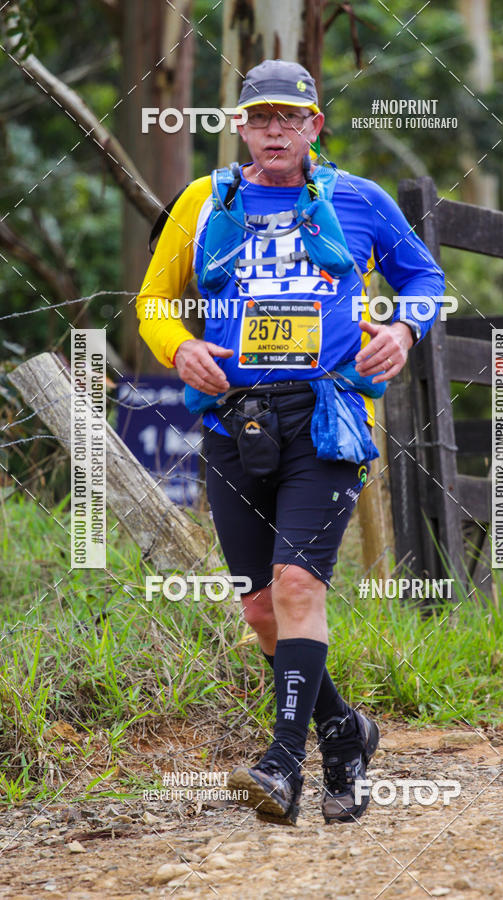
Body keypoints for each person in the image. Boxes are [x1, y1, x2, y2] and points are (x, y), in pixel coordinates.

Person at [136, 59, 445, 826]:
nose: (276, 129)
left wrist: (405, 328)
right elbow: (152, 298)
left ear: (314, 126)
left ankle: (283, 764)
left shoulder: (360, 200)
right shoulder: (206, 202)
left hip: (325, 418)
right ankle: (345, 731)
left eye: (291, 116)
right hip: (234, 421)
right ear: (241, 125)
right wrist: (178, 348)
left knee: (299, 587)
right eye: (261, 116)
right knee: (261, 611)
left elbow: (425, 278)